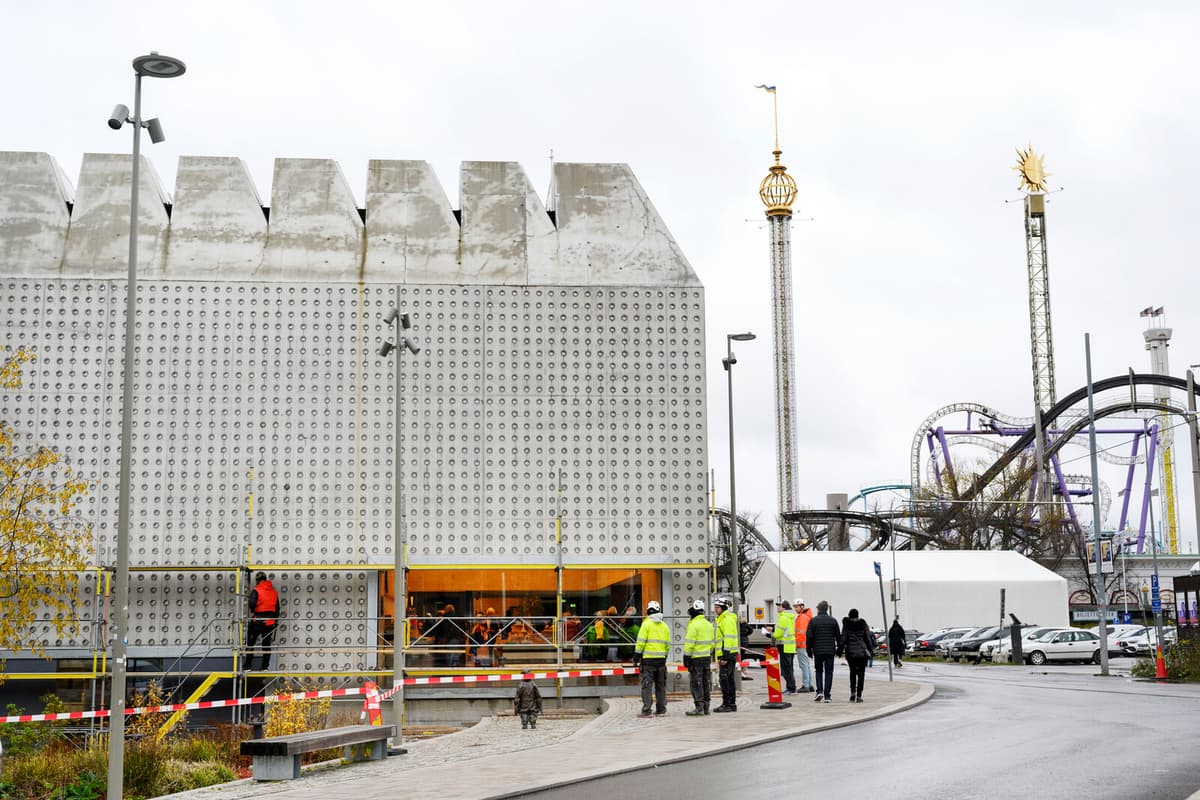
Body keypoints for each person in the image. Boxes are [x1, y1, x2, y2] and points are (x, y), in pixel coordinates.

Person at [633, 600, 670, 717]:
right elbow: (667, 645)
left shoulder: (646, 624)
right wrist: (664, 657)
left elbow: (640, 643)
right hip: (661, 661)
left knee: (647, 686)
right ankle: (661, 710)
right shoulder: (665, 626)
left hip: (648, 661)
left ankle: (647, 710)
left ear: (648, 611)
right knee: (660, 686)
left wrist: (636, 657)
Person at [683, 600, 715, 716]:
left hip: (696, 658)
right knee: (706, 682)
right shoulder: (708, 624)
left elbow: (690, 643)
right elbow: (712, 644)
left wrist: (686, 656)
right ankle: (706, 707)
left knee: (696, 683)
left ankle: (699, 707)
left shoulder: (693, 625)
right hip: (706, 657)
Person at [806, 600, 841, 703]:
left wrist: (809, 650)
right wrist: (839, 650)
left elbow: (809, 637)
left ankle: (819, 691)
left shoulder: (813, 621)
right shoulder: (833, 621)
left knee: (819, 671)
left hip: (818, 651)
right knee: (829, 672)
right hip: (830, 650)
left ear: (818, 609)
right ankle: (827, 696)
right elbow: (838, 637)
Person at [246, 571, 280, 671]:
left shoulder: (256, 590)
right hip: (270, 622)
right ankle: (265, 667)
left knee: (250, 642)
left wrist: (253, 609)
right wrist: (275, 620)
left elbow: (252, 604)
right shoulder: (274, 592)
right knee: (266, 644)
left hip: (258, 620)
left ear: (257, 580)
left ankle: (247, 666)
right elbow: (277, 608)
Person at [712, 596, 740, 712]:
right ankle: (731, 704)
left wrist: (724, 656)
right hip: (729, 654)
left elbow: (728, 638)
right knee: (729, 679)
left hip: (727, 654)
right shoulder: (724, 619)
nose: (715, 609)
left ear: (723, 608)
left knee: (725, 680)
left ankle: (727, 704)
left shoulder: (726, 619)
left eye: (717, 607)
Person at [841, 608, 872, 703]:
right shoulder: (863, 624)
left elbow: (843, 639)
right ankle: (859, 695)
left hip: (851, 653)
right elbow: (867, 638)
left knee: (852, 672)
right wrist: (870, 650)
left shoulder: (846, 625)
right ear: (857, 615)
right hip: (862, 653)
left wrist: (839, 650)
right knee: (861, 674)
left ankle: (852, 692)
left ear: (849, 616)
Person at [772, 600, 798, 693]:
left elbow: (779, 633)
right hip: (790, 646)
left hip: (784, 645)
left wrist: (770, 634)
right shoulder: (790, 617)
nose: (777, 608)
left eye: (779, 606)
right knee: (789, 668)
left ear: (783, 608)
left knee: (786, 669)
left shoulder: (783, 618)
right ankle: (791, 687)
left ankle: (791, 688)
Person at [793, 598, 814, 692]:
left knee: (804, 665)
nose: (795, 609)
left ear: (802, 606)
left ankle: (806, 685)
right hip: (806, 644)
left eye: (796, 606)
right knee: (807, 665)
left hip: (801, 645)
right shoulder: (806, 616)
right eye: (794, 607)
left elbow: (800, 633)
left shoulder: (802, 617)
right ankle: (809, 684)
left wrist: (797, 643)